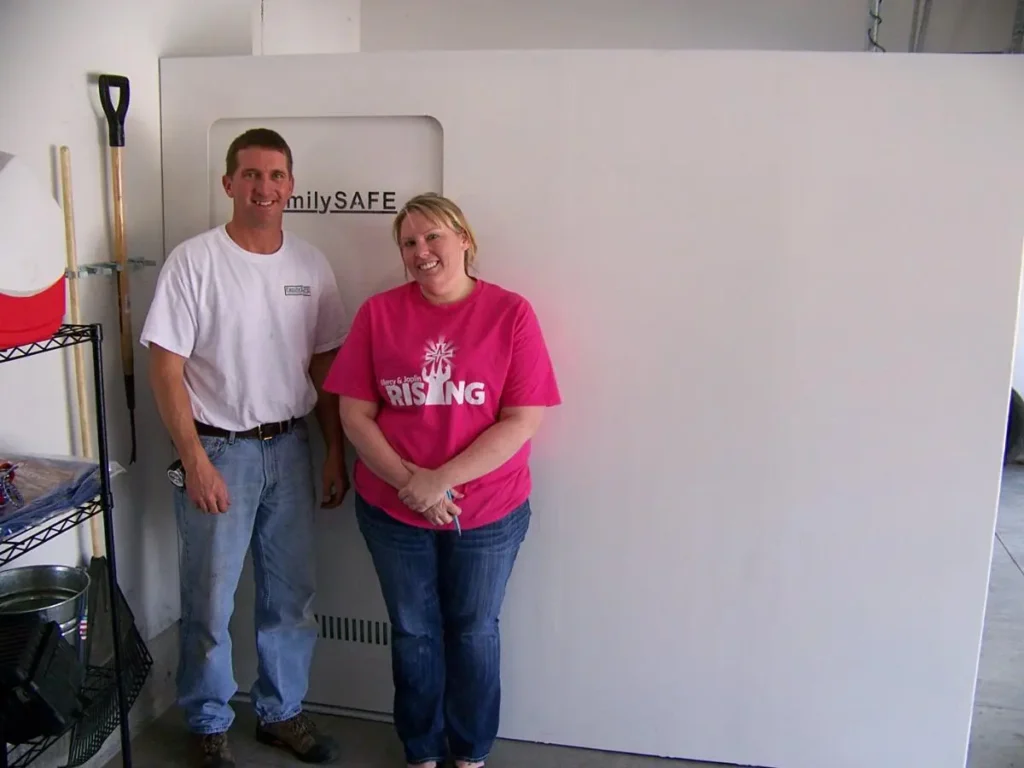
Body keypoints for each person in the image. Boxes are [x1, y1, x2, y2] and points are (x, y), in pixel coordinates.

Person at [323, 192, 561, 768]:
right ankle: (422, 751)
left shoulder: (511, 314)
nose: (421, 251)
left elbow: (523, 419)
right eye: (409, 242)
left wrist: (442, 481)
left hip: (487, 512)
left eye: (433, 237)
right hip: (392, 509)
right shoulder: (379, 314)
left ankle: (471, 751)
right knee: (412, 633)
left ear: (464, 241)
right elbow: (354, 415)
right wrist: (414, 484)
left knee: (474, 631)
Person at [140, 127, 349, 768]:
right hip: (220, 452)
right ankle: (207, 721)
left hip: (290, 450)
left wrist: (334, 451)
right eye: (251, 175)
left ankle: (280, 712)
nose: (265, 188)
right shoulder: (194, 261)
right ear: (228, 183)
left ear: (292, 185)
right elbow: (165, 368)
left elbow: (324, 366)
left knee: (290, 596)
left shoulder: (310, 265)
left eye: (276, 175)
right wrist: (195, 459)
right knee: (210, 597)